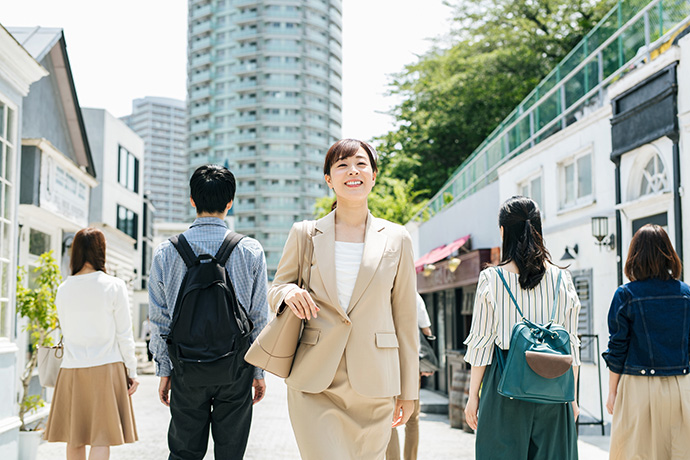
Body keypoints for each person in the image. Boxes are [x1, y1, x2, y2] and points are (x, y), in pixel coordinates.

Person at [268, 139, 419, 460]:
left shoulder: (397, 238)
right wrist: (289, 292)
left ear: (374, 175)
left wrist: (410, 392)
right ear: (328, 178)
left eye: (361, 164)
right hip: (315, 381)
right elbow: (277, 286)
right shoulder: (305, 234)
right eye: (342, 165)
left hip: (376, 382)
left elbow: (405, 319)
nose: (353, 171)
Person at [148, 165, 269, 460]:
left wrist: (164, 370)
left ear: (192, 200)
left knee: (184, 453)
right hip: (235, 368)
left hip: (186, 368)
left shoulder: (167, 251)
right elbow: (259, 318)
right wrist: (258, 371)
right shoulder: (250, 250)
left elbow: (160, 319)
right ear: (230, 202)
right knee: (231, 454)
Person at [463, 196, 581, 460]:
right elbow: (572, 344)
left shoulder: (491, 279)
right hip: (554, 386)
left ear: (503, 231)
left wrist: (473, 396)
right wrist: (572, 397)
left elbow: (481, 343)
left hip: (505, 386)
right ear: (538, 229)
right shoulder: (563, 278)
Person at [44, 227, 139, 460]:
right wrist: (133, 370)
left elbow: (66, 329)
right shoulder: (114, 285)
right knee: (101, 437)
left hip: (71, 369)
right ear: (101, 251)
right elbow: (124, 334)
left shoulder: (63, 289)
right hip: (106, 366)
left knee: (74, 438)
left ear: (74, 252)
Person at [603, 224, 690, 460]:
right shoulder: (686, 294)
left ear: (634, 255)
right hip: (682, 386)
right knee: (680, 452)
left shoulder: (625, 295)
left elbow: (617, 347)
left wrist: (612, 392)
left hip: (637, 388)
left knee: (636, 454)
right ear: (668, 254)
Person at [386, 293, 436, 460]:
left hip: (386, 360)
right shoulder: (413, 295)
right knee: (413, 418)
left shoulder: (382, 289)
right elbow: (426, 329)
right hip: (411, 362)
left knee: (388, 415)